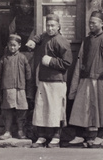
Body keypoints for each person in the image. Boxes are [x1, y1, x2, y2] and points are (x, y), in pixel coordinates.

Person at [67, 11, 103, 148]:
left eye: (93, 23)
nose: (90, 25)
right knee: (82, 108)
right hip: (85, 79)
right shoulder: (86, 40)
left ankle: (100, 136)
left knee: (102, 108)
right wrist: (77, 80)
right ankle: (80, 135)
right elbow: (80, 61)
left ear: (102, 24)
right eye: (89, 22)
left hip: (101, 80)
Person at [26, 13, 73, 148]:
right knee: (42, 108)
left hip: (57, 81)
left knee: (55, 110)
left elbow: (67, 62)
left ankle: (56, 137)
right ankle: (42, 136)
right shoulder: (44, 37)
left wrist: (50, 61)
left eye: (53, 26)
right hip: (43, 79)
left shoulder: (62, 41)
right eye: (48, 25)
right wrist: (33, 41)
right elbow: (39, 37)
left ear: (58, 26)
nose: (50, 28)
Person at [0, 34, 33, 140]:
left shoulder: (23, 58)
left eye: (15, 45)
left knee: (22, 110)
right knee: (7, 110)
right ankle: (7, 131)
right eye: (10, 45)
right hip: (8, 88)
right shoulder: (4, 59)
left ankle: (20, 130)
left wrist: (29, 93)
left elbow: (29, 77)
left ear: (19, 45)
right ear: (7, 45)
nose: (12, 48)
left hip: (21, 89)